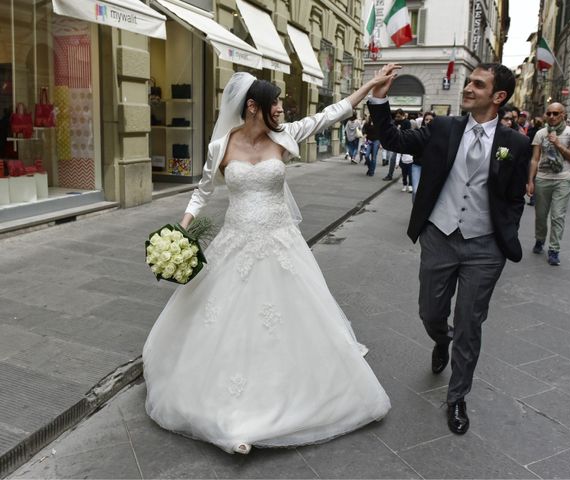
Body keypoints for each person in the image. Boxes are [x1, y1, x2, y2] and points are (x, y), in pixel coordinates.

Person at [143, 72, 391, 455]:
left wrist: (371, 85)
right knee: (228, 326)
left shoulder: (285, 136)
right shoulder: (220, 146)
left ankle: (287, 400)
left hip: (281, 244)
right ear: (252, 107)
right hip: (236, 243)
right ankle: (230, 416)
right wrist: (179, 232)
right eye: (275, 102)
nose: (281, 108)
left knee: (289, 324)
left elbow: (331, 113)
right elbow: (202, 193)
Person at [368, 63, 530, 435]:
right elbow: (394, 140)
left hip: (485, 248)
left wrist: (504, 232)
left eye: (478, 84)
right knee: (430, 311)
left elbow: (515, 196)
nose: (468, 87)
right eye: (469, 81)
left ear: (498, 97)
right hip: (439, 236)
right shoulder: (443, 128)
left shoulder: (515, 144)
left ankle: (457, 397)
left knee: (471, 323)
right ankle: (441, 339)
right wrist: (380, 99)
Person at [528, 103, 570, 266]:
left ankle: (554, 250)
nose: (551, 116)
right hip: (543, 179)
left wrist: (558, 144)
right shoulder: (540, 133)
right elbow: (535, 159)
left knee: (558, 216)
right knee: (541, 216)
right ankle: (539, 239)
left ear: (563, 115)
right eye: (549, 113)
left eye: (555, 113)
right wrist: (530, 180)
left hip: (563, 179)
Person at [382, 109, 412, 181]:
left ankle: (407, 173)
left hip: (404, 143)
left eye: (399, 116)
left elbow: (407, 132)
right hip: (397, 144)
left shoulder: (407, 122)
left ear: (402, 115)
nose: (397, 118)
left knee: (404, 161)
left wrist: (398, 131)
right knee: (393, 159)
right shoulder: (395, 121)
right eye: (396, 116)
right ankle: (390, 175)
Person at [411, 111, 435, 200]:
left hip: (431, 167)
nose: (428, 121)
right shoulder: (419, 133)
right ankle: (415, 211)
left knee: (428, 193)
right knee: (416, 191)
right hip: (417, 165)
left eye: (431, 120)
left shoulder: (438, 135)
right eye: (426, 119)